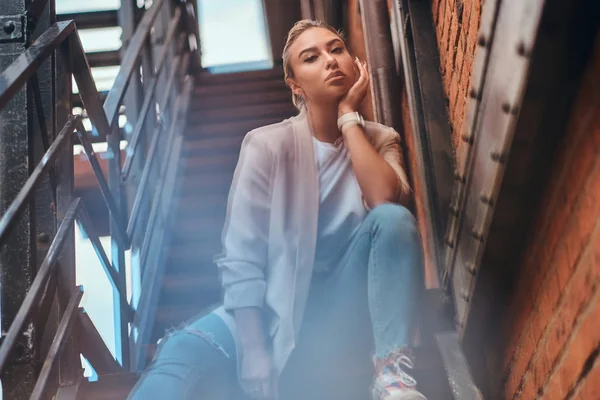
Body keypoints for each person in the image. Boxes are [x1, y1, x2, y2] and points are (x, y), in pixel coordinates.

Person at [127, 19, 426, 400]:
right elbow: (241, 255)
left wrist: (350, 118)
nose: (330, 61)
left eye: (337, 50)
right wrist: (253, 349)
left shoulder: (381, 140)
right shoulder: (267, 145)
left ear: (356, 64)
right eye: (311, 57)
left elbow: (386, 205)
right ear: (296, 86)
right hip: (274, 308)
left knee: (394, 219)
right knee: (184, 350)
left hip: (344, 303)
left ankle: (392, 376)